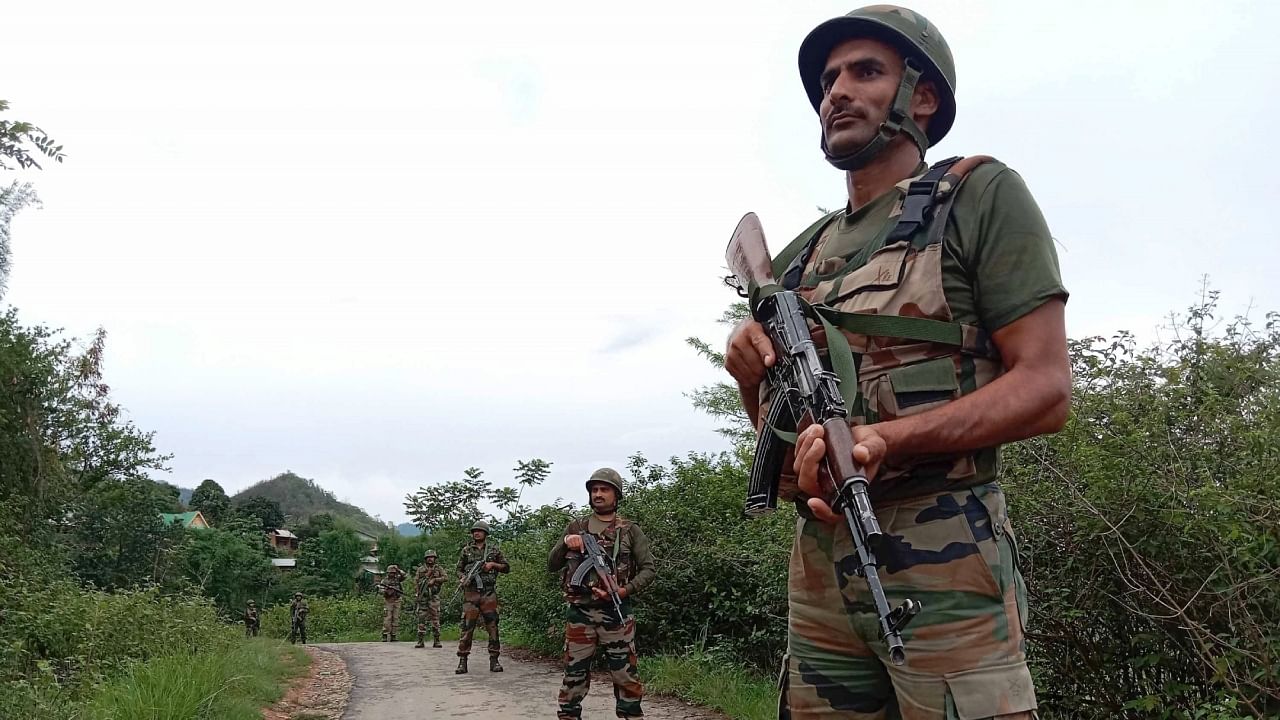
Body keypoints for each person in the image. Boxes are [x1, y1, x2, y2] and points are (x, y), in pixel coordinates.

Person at [724, 6, 1071, 718]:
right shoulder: (804, 255)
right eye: (827, 80)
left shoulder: (977, 194)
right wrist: (749, 375)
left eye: (865, 71)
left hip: (949, 557)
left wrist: (887, 439)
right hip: (819, 570)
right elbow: (784, 454)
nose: (836, 93)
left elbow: (1045, 387)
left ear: (922, 96)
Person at [548, 468, 656, 720]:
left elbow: (649, 570)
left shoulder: (629, 530)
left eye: (604, 489)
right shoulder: (576, 526)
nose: (598, 494)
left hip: (616, 613)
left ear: (616, 495)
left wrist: (623, 590)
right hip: (580, 614)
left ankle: (631, 716)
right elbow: (552, 565)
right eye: (594, 490)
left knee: (625, 675)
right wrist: (566, 542)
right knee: (574, 674)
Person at [454, 519, 509, 674]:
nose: (476, 533)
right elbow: (458, 569)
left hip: (488, 594)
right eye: (474, 531)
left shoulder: (493, 550)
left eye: (479, 531)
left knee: (492, 626)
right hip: (471, 594)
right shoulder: (466, 550)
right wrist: (462, 578)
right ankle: (462, 661)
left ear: (485, 533)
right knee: (467, 627)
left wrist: (493, 565)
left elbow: (506, 567)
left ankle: (494, 660)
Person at [414, 550, 447, 648]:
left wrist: (435, 580)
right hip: (423, 597)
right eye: (428, 557)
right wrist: (417, 593)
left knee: (435, 618)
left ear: (435, 558)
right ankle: (420, 641)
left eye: (432, 557)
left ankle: (437, 640)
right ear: (425, 559)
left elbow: (445, 578)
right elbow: (416, 582)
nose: (430, 559)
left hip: (434, 597)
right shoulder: (420, 570)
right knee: (421, 618)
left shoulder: (438, 569)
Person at [380, 563, 408, 642]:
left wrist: (398, 570)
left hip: (397, 600)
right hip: (388, 601)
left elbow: (405, 575)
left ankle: (393, 635)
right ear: (387, 573)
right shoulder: (385, 581)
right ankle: (385, 635)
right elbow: (380, 590)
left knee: (395, 618)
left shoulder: (397, 579)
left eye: (393, 573)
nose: (392, 574)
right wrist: (386, 591)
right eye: (390, 572)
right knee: (387, 618)